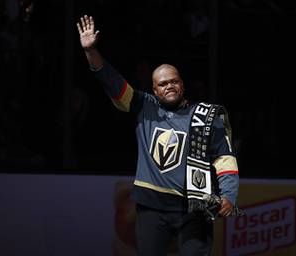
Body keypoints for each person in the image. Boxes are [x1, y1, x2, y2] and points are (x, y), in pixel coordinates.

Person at [77, 15, 239, 256]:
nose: (169, 86)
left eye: (174, 81)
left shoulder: (206, 117)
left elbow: (224, 159)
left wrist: (229, 194)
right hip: (151, 208)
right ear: (154, 89)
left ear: (182, 85)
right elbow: (111, 82)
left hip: (194, 209)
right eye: (163, 84)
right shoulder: (144, 105)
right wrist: (91, 51)